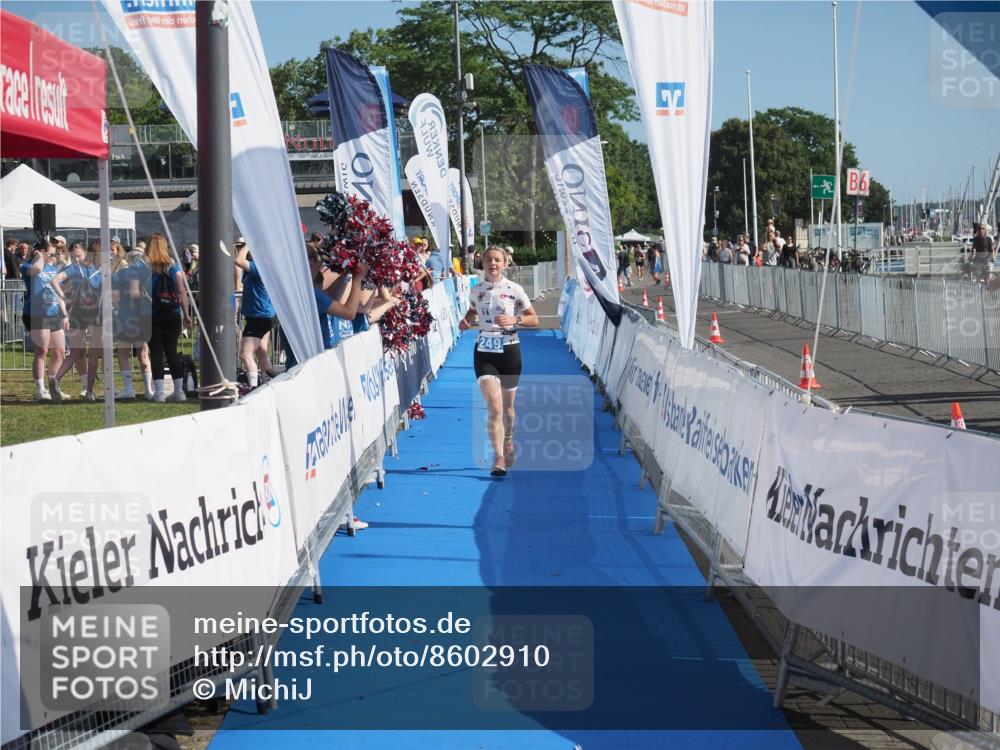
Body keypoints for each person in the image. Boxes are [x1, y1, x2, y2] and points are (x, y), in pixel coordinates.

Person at [458, 245, 539, 477]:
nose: (492, 264)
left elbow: (534, 319)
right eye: (488, 260)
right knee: (495, 408)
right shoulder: (476, 290)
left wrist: (516, 319)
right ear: (482, 263)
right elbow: (472, 313)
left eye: (497, 260)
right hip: (484, 350)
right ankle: (499, 458)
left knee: (509, 410)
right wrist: (466, 322)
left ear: (505, 264)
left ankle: (509, 438)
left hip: (510, 351)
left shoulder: (515, 289)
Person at [49, 241, 104, 400]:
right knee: (93, 353)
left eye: (78, 256)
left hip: (78, 311)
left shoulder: (72, 268)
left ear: (85, 253)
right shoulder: (98, 270)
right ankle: (89, 391)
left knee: (75, 352)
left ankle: (56, 379)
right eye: (75, 257)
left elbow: (53, 281)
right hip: (95, 313)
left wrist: (64, 297)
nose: (77, 259)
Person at [145, 233, 191, 402]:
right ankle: (179, 391)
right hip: (172, 313)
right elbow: (181, 291)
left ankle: (159, 393)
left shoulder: (144, 266)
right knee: (172, 351)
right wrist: (186, 313)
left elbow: (136, 292)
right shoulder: (173, 265)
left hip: (151, 314)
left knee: (156, 352)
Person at [21, 240, 69, 400]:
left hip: (54, 313)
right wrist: (40, 256)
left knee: (59, 351)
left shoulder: (53, 268)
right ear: (41, 251)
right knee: (41, 351)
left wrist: (65, 314)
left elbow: (58, 292)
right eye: (51, 253)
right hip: (37, 314)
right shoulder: (27, 266)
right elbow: (37, 269)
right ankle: (40, 389)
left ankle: (54, 387)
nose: (53, 257)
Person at [233, 240, 276, 389]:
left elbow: (238, 260)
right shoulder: (265, 269)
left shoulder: (261, 268)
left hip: (259, 317)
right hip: (263, 316)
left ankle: (252, 387)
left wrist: (249, 243)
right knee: (262, 352)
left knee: (245, 354)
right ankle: (268, 385)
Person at [113, 249, 154, 399]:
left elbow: (114, 298)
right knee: (143, 355)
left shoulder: (120, 274)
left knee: (123, 354)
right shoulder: (148, 272)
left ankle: (128, 389)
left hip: (124, 318)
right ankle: (149, 389)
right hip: (142, 317)